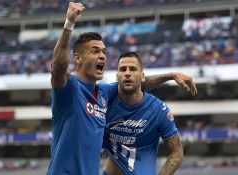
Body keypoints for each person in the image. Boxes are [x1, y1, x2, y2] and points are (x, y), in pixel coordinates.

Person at [48, 2, 196, 175]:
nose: (102, 55)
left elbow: (134, 84)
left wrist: (170, 76)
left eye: (104, 51)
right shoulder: (68, 88)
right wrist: (69, 24)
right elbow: (58, 67)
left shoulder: (103, 93)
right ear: (78, 58)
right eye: (95, 51)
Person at [103, 52, 184, 175]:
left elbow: (177, 152)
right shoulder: (105, 100)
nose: (127, 73)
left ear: (142, 76)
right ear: (117, 75)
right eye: (123, 69)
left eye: (133, 69)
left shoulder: (158, 110)